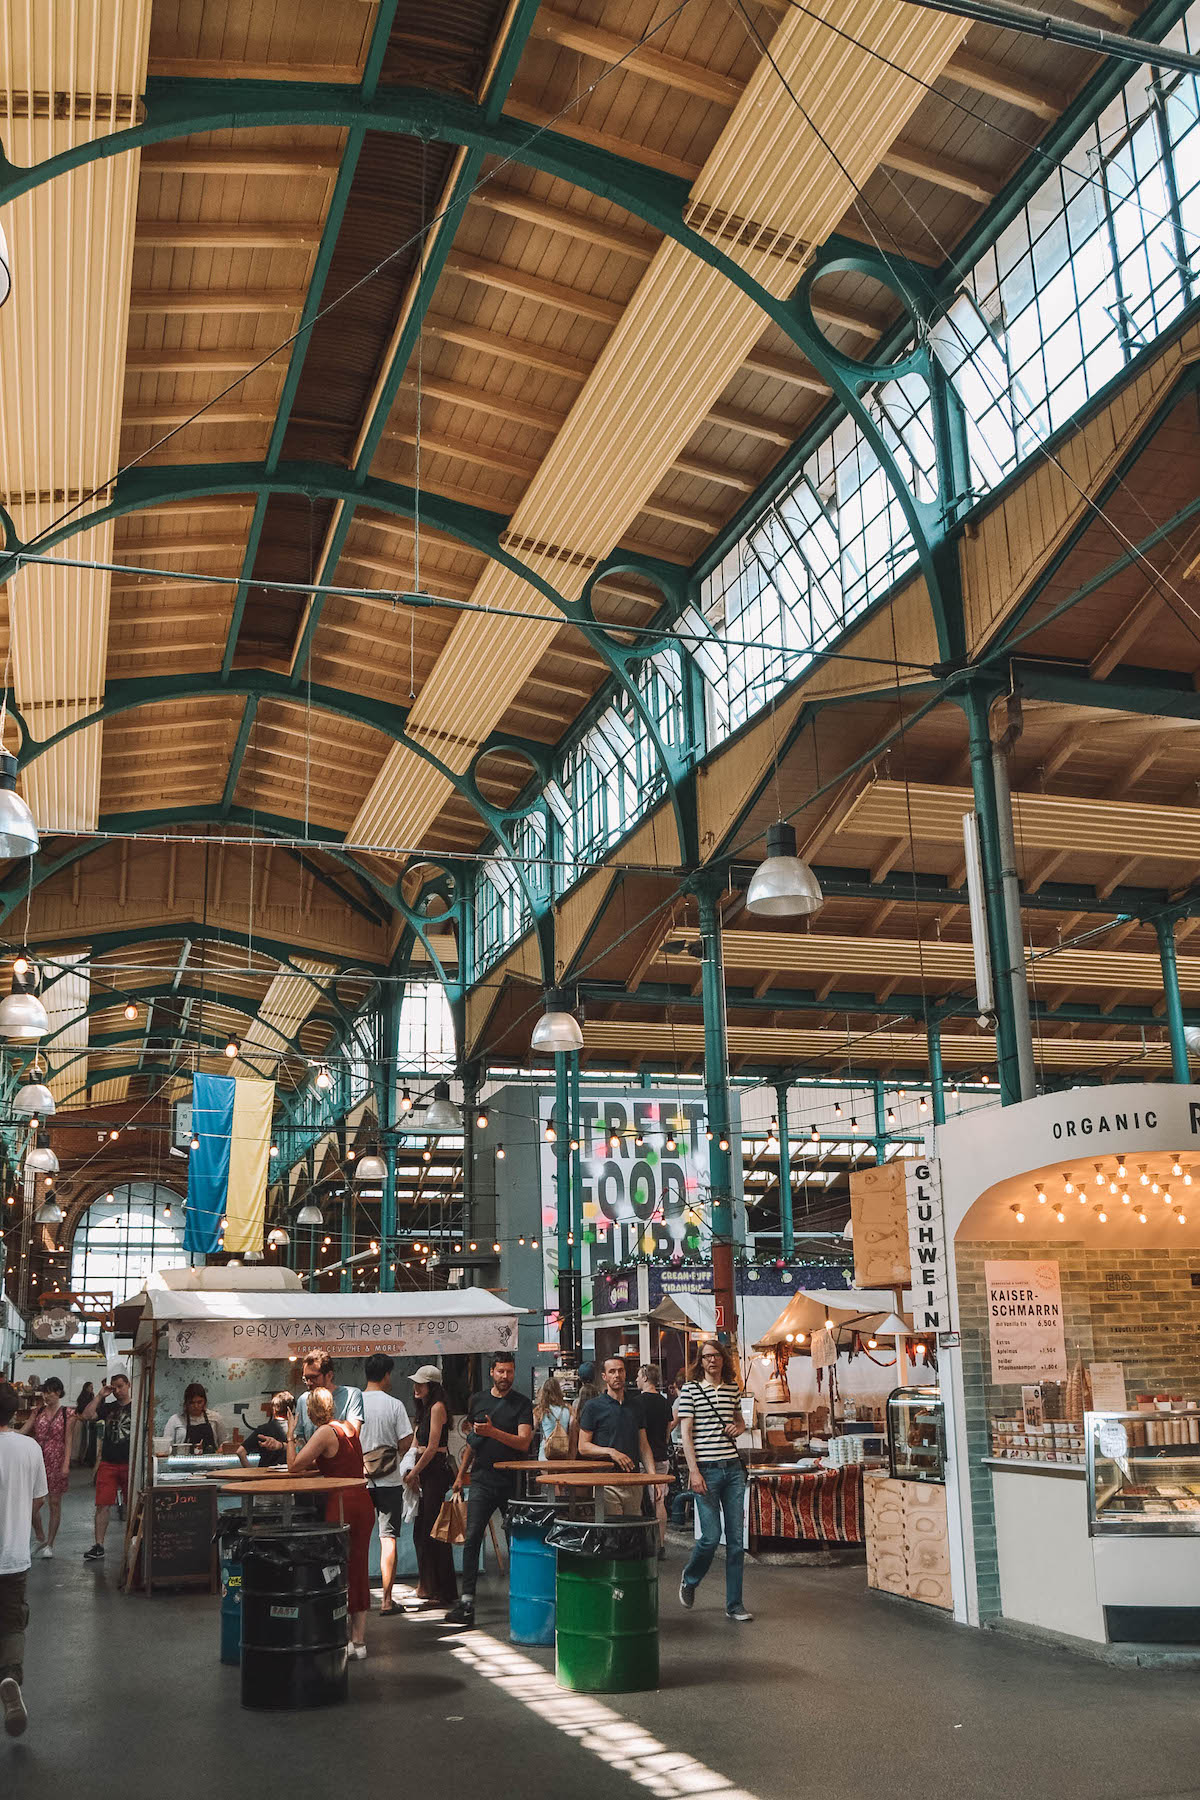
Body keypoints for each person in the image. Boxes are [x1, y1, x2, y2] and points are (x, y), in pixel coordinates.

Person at [443, 1352, 533, 1628]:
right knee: (472, 1540)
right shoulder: (478, 1400)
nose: (505, 1377)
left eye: (509, 1372)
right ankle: (467, 1601)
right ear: (491, 1372)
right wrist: (461, 1475)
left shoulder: (522, 1404)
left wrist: (494, 1433)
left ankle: (525, 1597)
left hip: (512, 1481)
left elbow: (523, 1443)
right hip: (482, 1479)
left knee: (516, 1540)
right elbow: (473, 1441)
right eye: (500, 1372)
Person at [287, 1387, 376, 1659]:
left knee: (337, 1568)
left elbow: (293, 1466)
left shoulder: (324, 1432)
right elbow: (339, 1464)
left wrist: (289, 1434)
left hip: (341, 1504)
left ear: (310, 1412)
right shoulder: (347, 1427)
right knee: (358, 1567)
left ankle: (338, 1632)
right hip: (362, 1501)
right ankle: (358, 1641)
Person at [676, 1340, 753, 1622]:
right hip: (706, 1470)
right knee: (710, 1537)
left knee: (735, 1540)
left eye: (716, 1356)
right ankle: (690, 1578)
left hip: (732, 1470)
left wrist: (739, 1427)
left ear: (723, 1359)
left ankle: (734, 1604)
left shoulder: (733, 1388)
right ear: (700, 1361)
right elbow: (685, 1434)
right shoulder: (691, 1390)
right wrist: (693, 1471)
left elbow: (740, 1421)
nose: (712, 1361)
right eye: (707, 1356)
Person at [0, 1381, 47, 1737]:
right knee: (14, 1623)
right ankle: (9, 1677)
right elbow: (38, 1500)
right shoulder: (30, 1447)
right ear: (16, 1413)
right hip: (14, 1556)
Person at [358, 1353, 413, 1616]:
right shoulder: (394, 1405)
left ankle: (355, 1598)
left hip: (360, 1480)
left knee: (356, 1540)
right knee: (388, 1539)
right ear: (387, 1375)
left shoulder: (352, 1404)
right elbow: (406, 1442)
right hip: (389, 1481)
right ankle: (388, 1601)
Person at [404, 1365, 457, 1611]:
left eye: (421, 1384)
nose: (416, 1387)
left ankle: (443, 1590)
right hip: (424, 1472)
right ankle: (427, 1585)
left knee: (434, 1532)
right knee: (421, 1531)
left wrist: (414, 1471)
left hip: (434, 1472)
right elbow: (417, 1443)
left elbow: (433, 1446)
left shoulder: (437, 1408)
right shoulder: (424, 1409)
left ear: (432, 1386)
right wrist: (411, 1468)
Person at [578, 1356, 659, 1517]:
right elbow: (583, 1446)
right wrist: (611, 1452)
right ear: (604, 1377)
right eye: (612, 1371)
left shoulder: (636, 1405)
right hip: (606, 1481)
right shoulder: (593, 1406)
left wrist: (653, 1478)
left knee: (632, 1531)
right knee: (613, 1531)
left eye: (620, 1371)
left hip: (633, 1479)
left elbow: (643, 1445)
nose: (617, 1375)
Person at [78, 1368, 133, 1562]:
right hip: (109, 1463)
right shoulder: (107, 1408)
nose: (117, 1391)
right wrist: (100, 1395)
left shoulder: (137, 1407)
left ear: (129, 1385)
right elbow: (86, 1415)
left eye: (121, 1386)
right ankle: (99, 1544)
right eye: (114, 1387)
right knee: (102, 1505)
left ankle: (134, 1542)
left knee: (131, 1505)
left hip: (129, 1463)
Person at [20, 1379, 72, 1559]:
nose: (47, 1395)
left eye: (50, 1392)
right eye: (45, 1392)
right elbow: (25, 1430)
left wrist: (66, 1464)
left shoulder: (67, 1413)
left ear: (58, 1392)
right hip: (36, 1459)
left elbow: (68, 1441)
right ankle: (40, 1535)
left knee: (54, 1503)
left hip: (56, 1460)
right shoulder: (37, 1412)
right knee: (34, 1501)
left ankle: (50, 1543)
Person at [636, 1364, 674, 1553]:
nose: (636, 1380)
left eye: (637, 1376)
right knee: (659, 1500)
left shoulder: (637, 1403)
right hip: (661, 1457)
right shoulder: (665, 1402)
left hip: (643, 1460)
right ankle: (660, 1544)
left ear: (644, 1377)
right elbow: (668, 1433)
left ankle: (644, 1543)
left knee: (640, 1502)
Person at [293, 1353, 364, 1442]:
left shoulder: (351, 1395)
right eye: (306, 1378)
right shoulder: (303, 1400)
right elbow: (299, 1437)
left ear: (329, 1375)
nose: (309, 1383)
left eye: (314, 1377)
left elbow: (354, 1434)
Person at [160, 1382, 226, 1454]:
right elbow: (166, 1447)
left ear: (205, 1402)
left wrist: (220, 1451)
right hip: (182, 1463)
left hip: (212, 1463)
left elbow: (224, 1443)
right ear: (186, 1403)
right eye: (191, 1403)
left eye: (199, 1402)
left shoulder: (216, 1418)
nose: (196, 1406)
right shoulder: (175, 1420)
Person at [237, 1393, 292, 1469]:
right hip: (291, 1474)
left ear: (273, 1410)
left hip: (266, 1476)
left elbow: (240, 1452)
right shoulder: (297, 1429)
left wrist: (251, 1473)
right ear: (291, 1410)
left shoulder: (262, 1429)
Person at [534, 1375, 571, 1461]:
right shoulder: (568, 1409)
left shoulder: (540, 1410)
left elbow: (532, 1431)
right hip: (563, 1452)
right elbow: (572, 1433)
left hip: (545, 1452)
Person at [74, 1383, 97, 1468]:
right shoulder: (82, 1398)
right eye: (91, 1387)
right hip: (81, 1419)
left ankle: (83, 1457)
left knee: (85, 1440)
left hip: (87, 1420)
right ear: (86, 1388)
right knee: (79, 1440)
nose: (92, 1388)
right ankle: (78, 1458)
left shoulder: (91, 1396)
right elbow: (81, 1409)